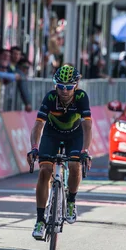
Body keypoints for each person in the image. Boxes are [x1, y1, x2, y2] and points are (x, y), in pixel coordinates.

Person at [26, 65, 92, 240]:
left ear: (76, 86)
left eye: (69, 87)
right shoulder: (50, 97)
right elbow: (39, 124)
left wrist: (85, 150)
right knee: (44, 172)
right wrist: (34, 147)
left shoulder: (81, 97)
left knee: (74, 164)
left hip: (75, 135)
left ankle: (71, 200)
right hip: (52, 134)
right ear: (55, 85)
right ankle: (40, 220)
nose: (64, 91)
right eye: (61, 86)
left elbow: (87, 125)